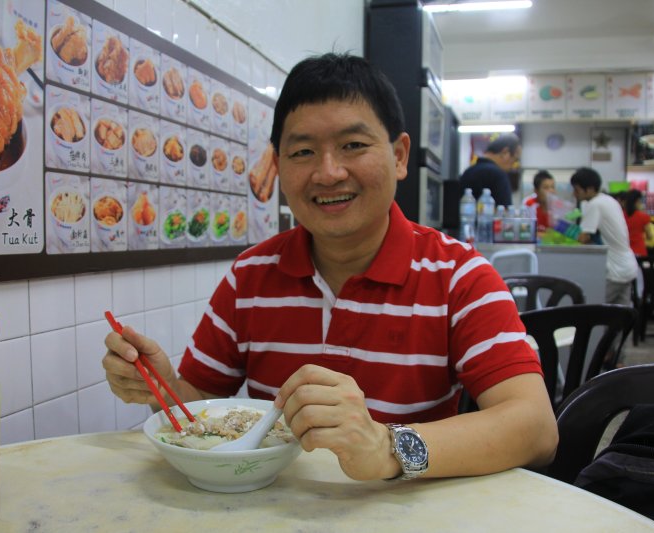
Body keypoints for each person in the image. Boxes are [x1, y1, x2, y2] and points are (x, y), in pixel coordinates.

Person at [103, 53, 557, 482]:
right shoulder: (250, 276)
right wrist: (162, 388)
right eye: (302, 153)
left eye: (353, 145)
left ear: (399, 156)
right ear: (278, 166)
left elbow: (535, 428)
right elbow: (200, 408)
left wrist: (386, 448)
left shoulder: (459, 275)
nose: (329, 172)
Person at [570, 167, 638, 308]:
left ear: (589, 189)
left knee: (595, 314)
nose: (574, 194)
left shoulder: (596, 204)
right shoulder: (609, 200)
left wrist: (563, 230)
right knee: (619, 319)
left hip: (614, 270)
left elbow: (583, 238)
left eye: (577, 190)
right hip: (627, 267)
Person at [458, 133, 520, 207]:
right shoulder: (498, 175)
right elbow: (504, 213)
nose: (513, 166)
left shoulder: (468, 171)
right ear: (505, 152)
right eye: (515, 160)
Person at [522, 170, 556, 234]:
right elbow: (525, 231)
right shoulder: (529, 204)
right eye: (546, 188)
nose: (551, 191)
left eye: (553, 187)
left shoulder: (557, 207)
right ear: (536, 191)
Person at [622, 189, 653, 257]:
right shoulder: (643, 217)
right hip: (639, 251)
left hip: (624, 251)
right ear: (637, 201)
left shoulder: (621, 216)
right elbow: (649, 236)